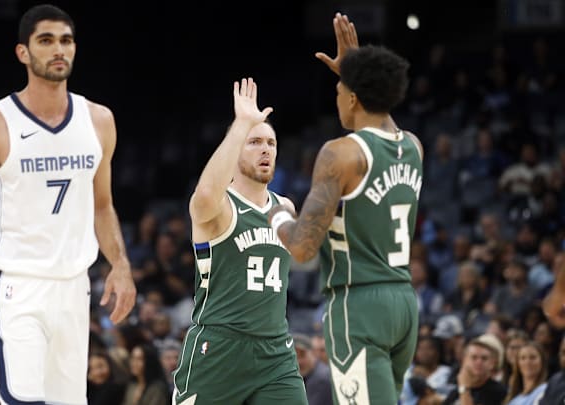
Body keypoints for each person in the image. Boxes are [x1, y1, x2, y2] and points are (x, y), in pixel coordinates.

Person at [0, 4, 136, 404]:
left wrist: (120, 264)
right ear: (23, 53)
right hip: (15, 286)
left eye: (65, 40)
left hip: (74, 287)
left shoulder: (99, 120)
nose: (58, 49)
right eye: (45, 41)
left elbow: (103, 206)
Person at [268, 13, 421, 404]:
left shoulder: (340, 153)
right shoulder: (412, 148)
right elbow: (385, 124)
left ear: (353, 97)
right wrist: (358, 70)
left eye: (340, 89)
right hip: (403, 303)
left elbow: (302, 248)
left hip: (358, 304)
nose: (336, 96)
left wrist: (278, 215)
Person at [172, 77, 306, 404]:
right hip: (219, 347)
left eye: (271, 144)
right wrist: (241, 123)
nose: (265, 149)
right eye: (255, 142)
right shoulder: (219, 207)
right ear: (234, 150)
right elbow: (204, 194)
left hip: (275, 351)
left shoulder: (285, 207)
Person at [441, 334, 507, 405]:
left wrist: (464, 389)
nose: (479, 362)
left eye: (484, 358)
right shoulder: (456, 392)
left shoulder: (498, 392)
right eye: (474, 357)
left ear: (492, 363)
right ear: (464, 360)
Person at [503, 341, 547, 405]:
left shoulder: (545, 390)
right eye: (523, 358)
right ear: (517, 363)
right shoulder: (513, 395)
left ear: (542, 362)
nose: (527, 362)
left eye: (532, 357)